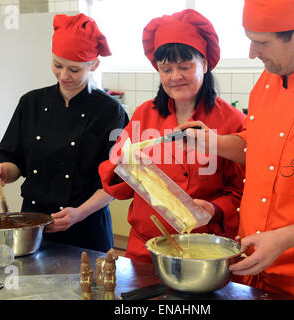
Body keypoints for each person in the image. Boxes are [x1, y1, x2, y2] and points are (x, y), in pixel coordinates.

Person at [178, 0, 294, 300]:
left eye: (261, 43)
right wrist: (213, 142)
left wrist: (283, 239)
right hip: (257, 273)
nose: (251, 53)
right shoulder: (268, 82)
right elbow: (261, 150)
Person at [98, 9, 246, 263]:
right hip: (145, 250)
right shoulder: (144, 115)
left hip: (203, 252)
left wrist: (215, 208)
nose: (175, 76)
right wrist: (126, 165)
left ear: (205, 64)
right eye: (166, 69)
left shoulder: (231, 121)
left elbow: (241, 191)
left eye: (185, 67)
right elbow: (116, 182)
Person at [0, 13, 129, 252]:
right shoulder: (31, 103)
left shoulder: (110, 111)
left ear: (94, 65)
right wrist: (0, 172)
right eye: (57, 65)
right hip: (32, 226)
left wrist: (79, 213)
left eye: (74, 69)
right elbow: (14, 162)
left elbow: (116, 181)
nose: (63, 76)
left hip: (87, 227)